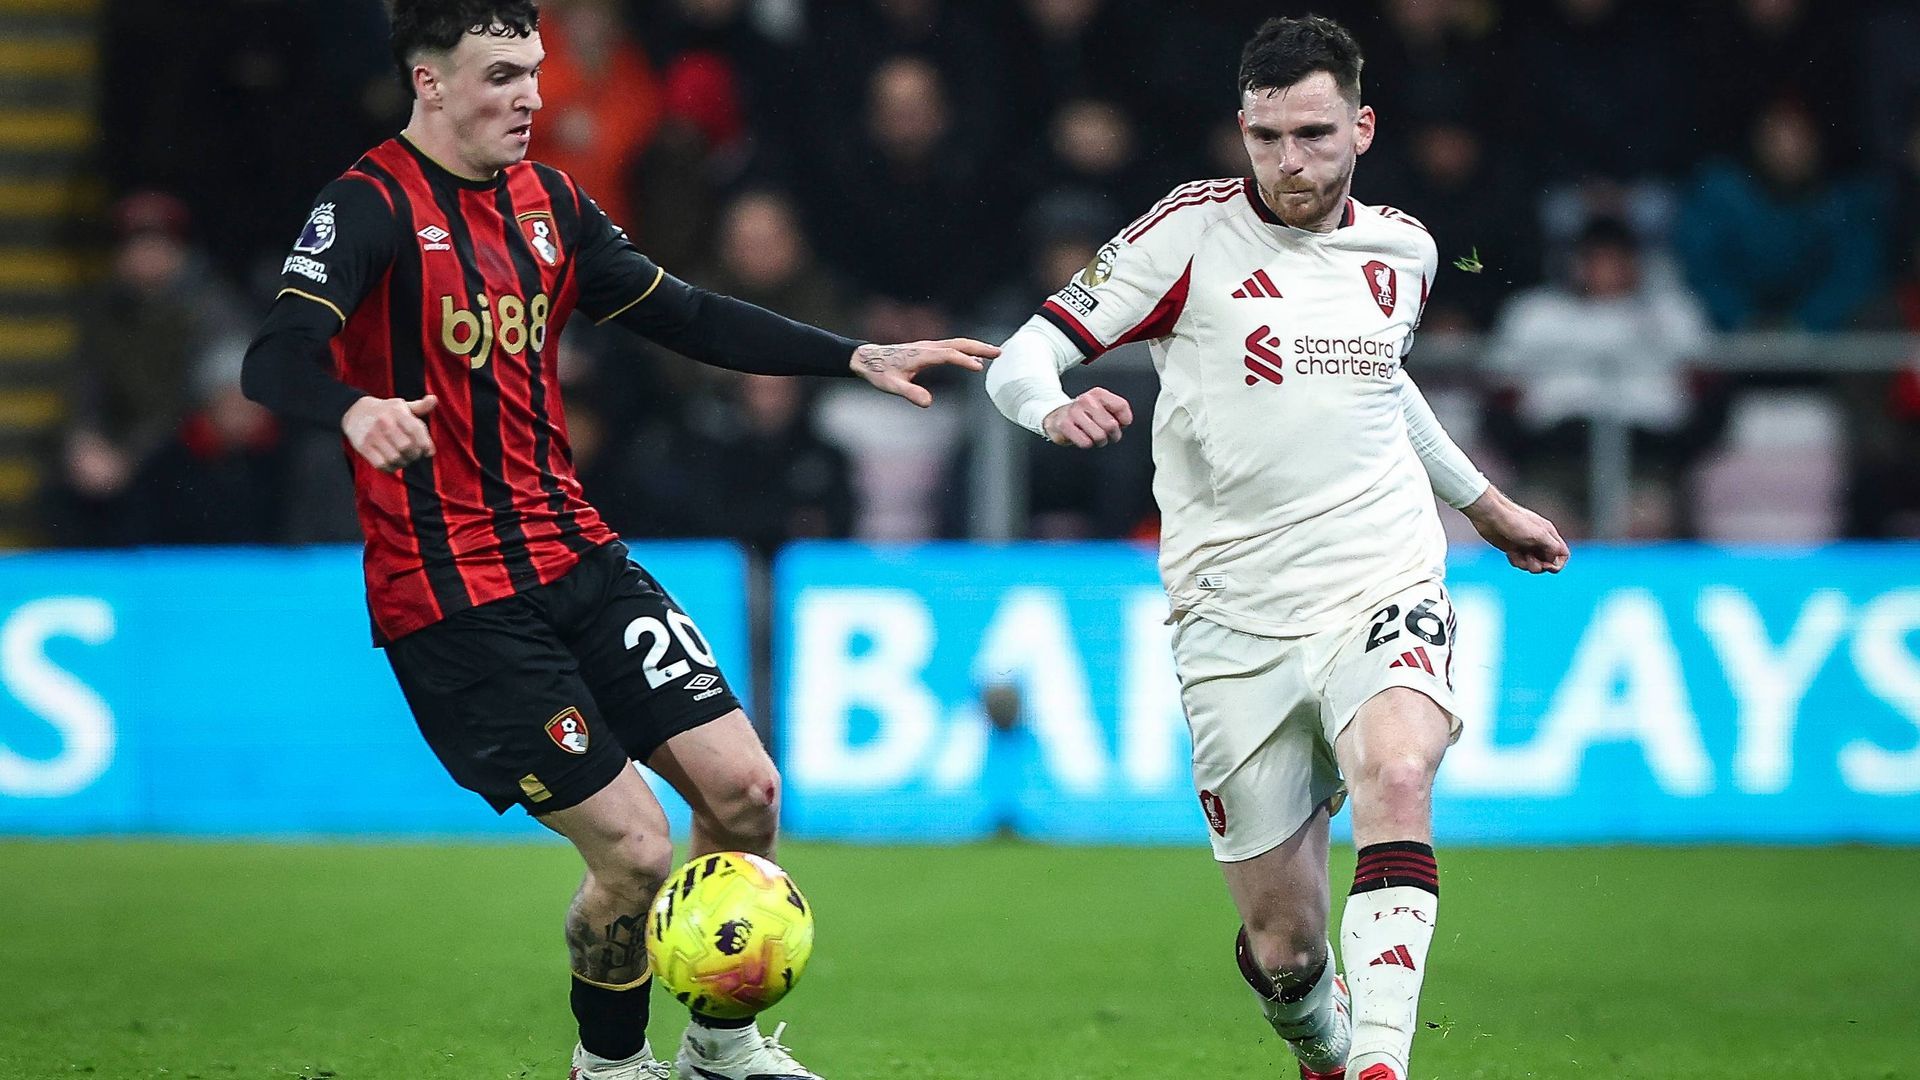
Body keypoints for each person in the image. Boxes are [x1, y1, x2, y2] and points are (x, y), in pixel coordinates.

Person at [238, 4, 995, 1079]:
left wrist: (852, 356)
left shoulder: (550, 203)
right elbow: (274, 361)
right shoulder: (363, 209)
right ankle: (610, 1064)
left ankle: (721, 1051)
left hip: (579, 559)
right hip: (460, 603)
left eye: (536, 73)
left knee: (747, 795)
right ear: (429, 83)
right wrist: (353, 408)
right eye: (501, 75)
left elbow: (682, 313)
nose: (531, 98)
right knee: (637, 853)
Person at [983, 17, 1567, 1080]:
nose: (1289, 164)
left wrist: (1482, 504)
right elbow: (1022, 356)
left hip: (1379, 570)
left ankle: (1385, 1062)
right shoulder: (1184, 237)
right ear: (1240, 130)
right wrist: (1050, 408)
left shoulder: (1407, 250)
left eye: (1312, 134)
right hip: (1230, 611)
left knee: (1398, 769)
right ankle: (1327, 1040)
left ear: (1363, 126)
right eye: (1265, 138)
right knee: (1285, 951)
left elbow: (1378, 384)